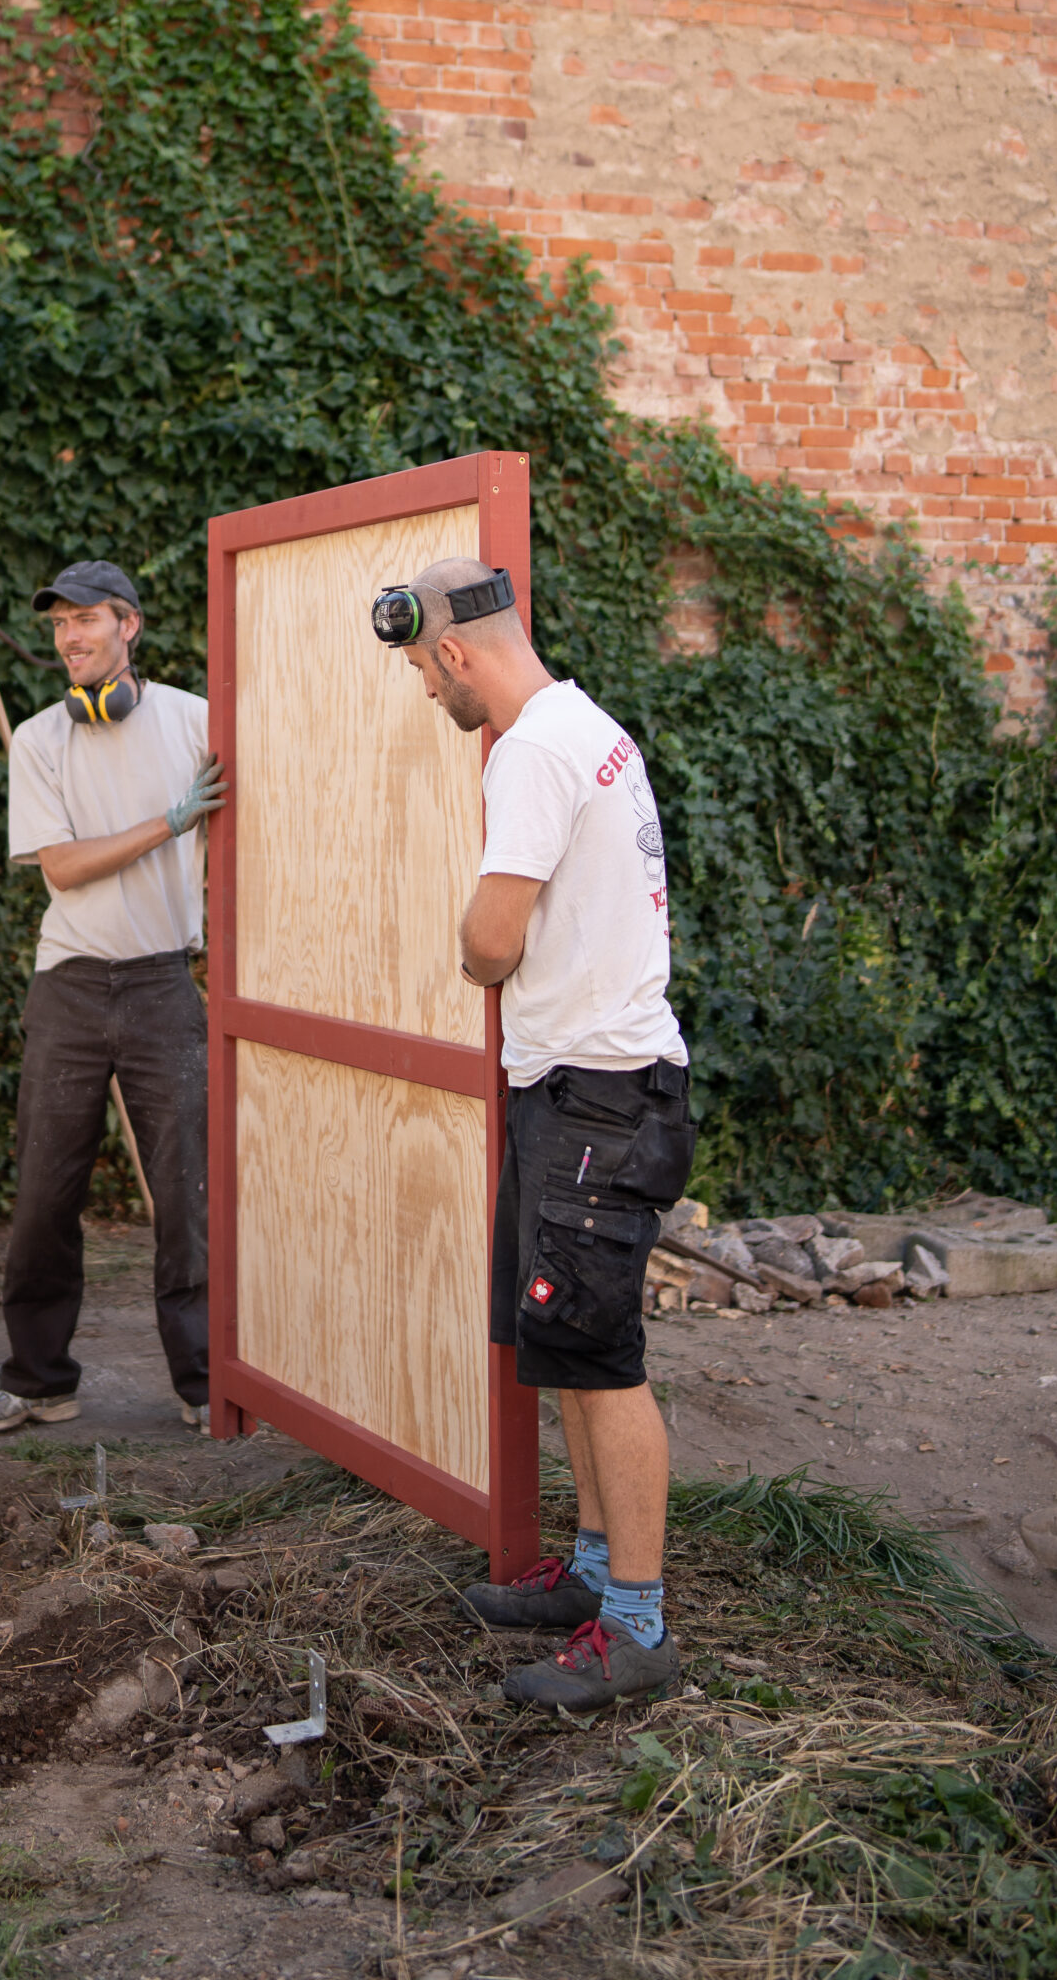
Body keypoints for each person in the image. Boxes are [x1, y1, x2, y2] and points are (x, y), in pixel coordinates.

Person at [372, 557, 691, 1712]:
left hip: (598, 1095)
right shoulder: (581, 723)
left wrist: (465, 947)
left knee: (602, 1360)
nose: (423, 690)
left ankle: (640, 1626)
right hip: (583, 1087)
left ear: (455, 652)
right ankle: (598, 1577)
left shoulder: (529, 751)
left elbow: (492, 937)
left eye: (418, 667)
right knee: (561, 1339)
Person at [0, 560, 226, 1436]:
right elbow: (64, 869)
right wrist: (170, 823)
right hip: (70, 985)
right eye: (58, 625)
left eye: (86, 621)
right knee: (44, 1190)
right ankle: (39, 1381)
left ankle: (201, 1384)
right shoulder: (40, 740)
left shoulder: (196, 722)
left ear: (129, 626)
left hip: (161, 984)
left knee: (188, 1193)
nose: (69, 637)